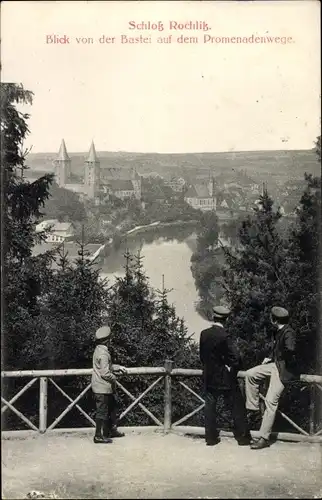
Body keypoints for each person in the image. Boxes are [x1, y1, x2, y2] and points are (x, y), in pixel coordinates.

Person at [245, 306, 298, 450]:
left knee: (270, 402)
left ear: (274, 320)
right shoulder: (279, 331)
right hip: (274, 365)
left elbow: (291, 350)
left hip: (283, 370)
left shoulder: (289, 333)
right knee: (250, 374)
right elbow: (277, 349)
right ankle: (253, 408)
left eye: (271, 318)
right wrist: (270, 357)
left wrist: (281, 360)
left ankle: (264, 438)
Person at [199, 305, 252, 446]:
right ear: (226, 319)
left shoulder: (204, 333)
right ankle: (243, 438)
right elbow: (236, 358)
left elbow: (202, 357)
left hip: (209, 375)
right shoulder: (225, 335)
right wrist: (229, 366)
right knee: (237, 405)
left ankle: (210, 438)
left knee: (210, 405)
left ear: (213, 317)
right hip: (224, 377)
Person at [91, 325, 127, 444]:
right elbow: (105, 372)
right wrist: (114, 378)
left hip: (101, 387)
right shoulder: (104, 354)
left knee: (111, 408)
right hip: (103, 387)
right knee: (102, 411)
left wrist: (118, 367)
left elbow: (107, 367)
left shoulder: (99, 350)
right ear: (107, 340)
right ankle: (98, 435)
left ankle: (110, 430)